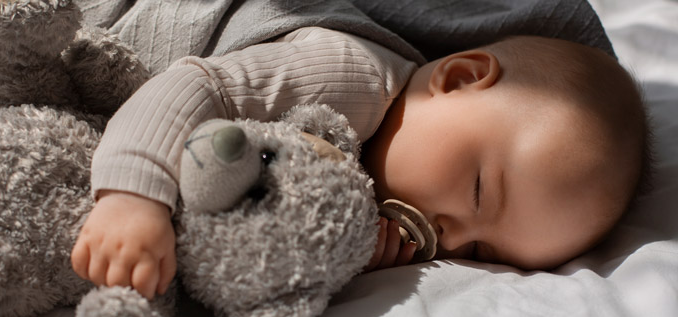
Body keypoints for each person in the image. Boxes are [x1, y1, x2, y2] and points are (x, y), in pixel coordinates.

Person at [70, 27, 650, 299]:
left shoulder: (376, 200)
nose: (447, 236)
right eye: (477, 192)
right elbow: (191, 90)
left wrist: (346, 254)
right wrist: (131, 197)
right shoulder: (349, 77)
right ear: (459, 78)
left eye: (480, 251)